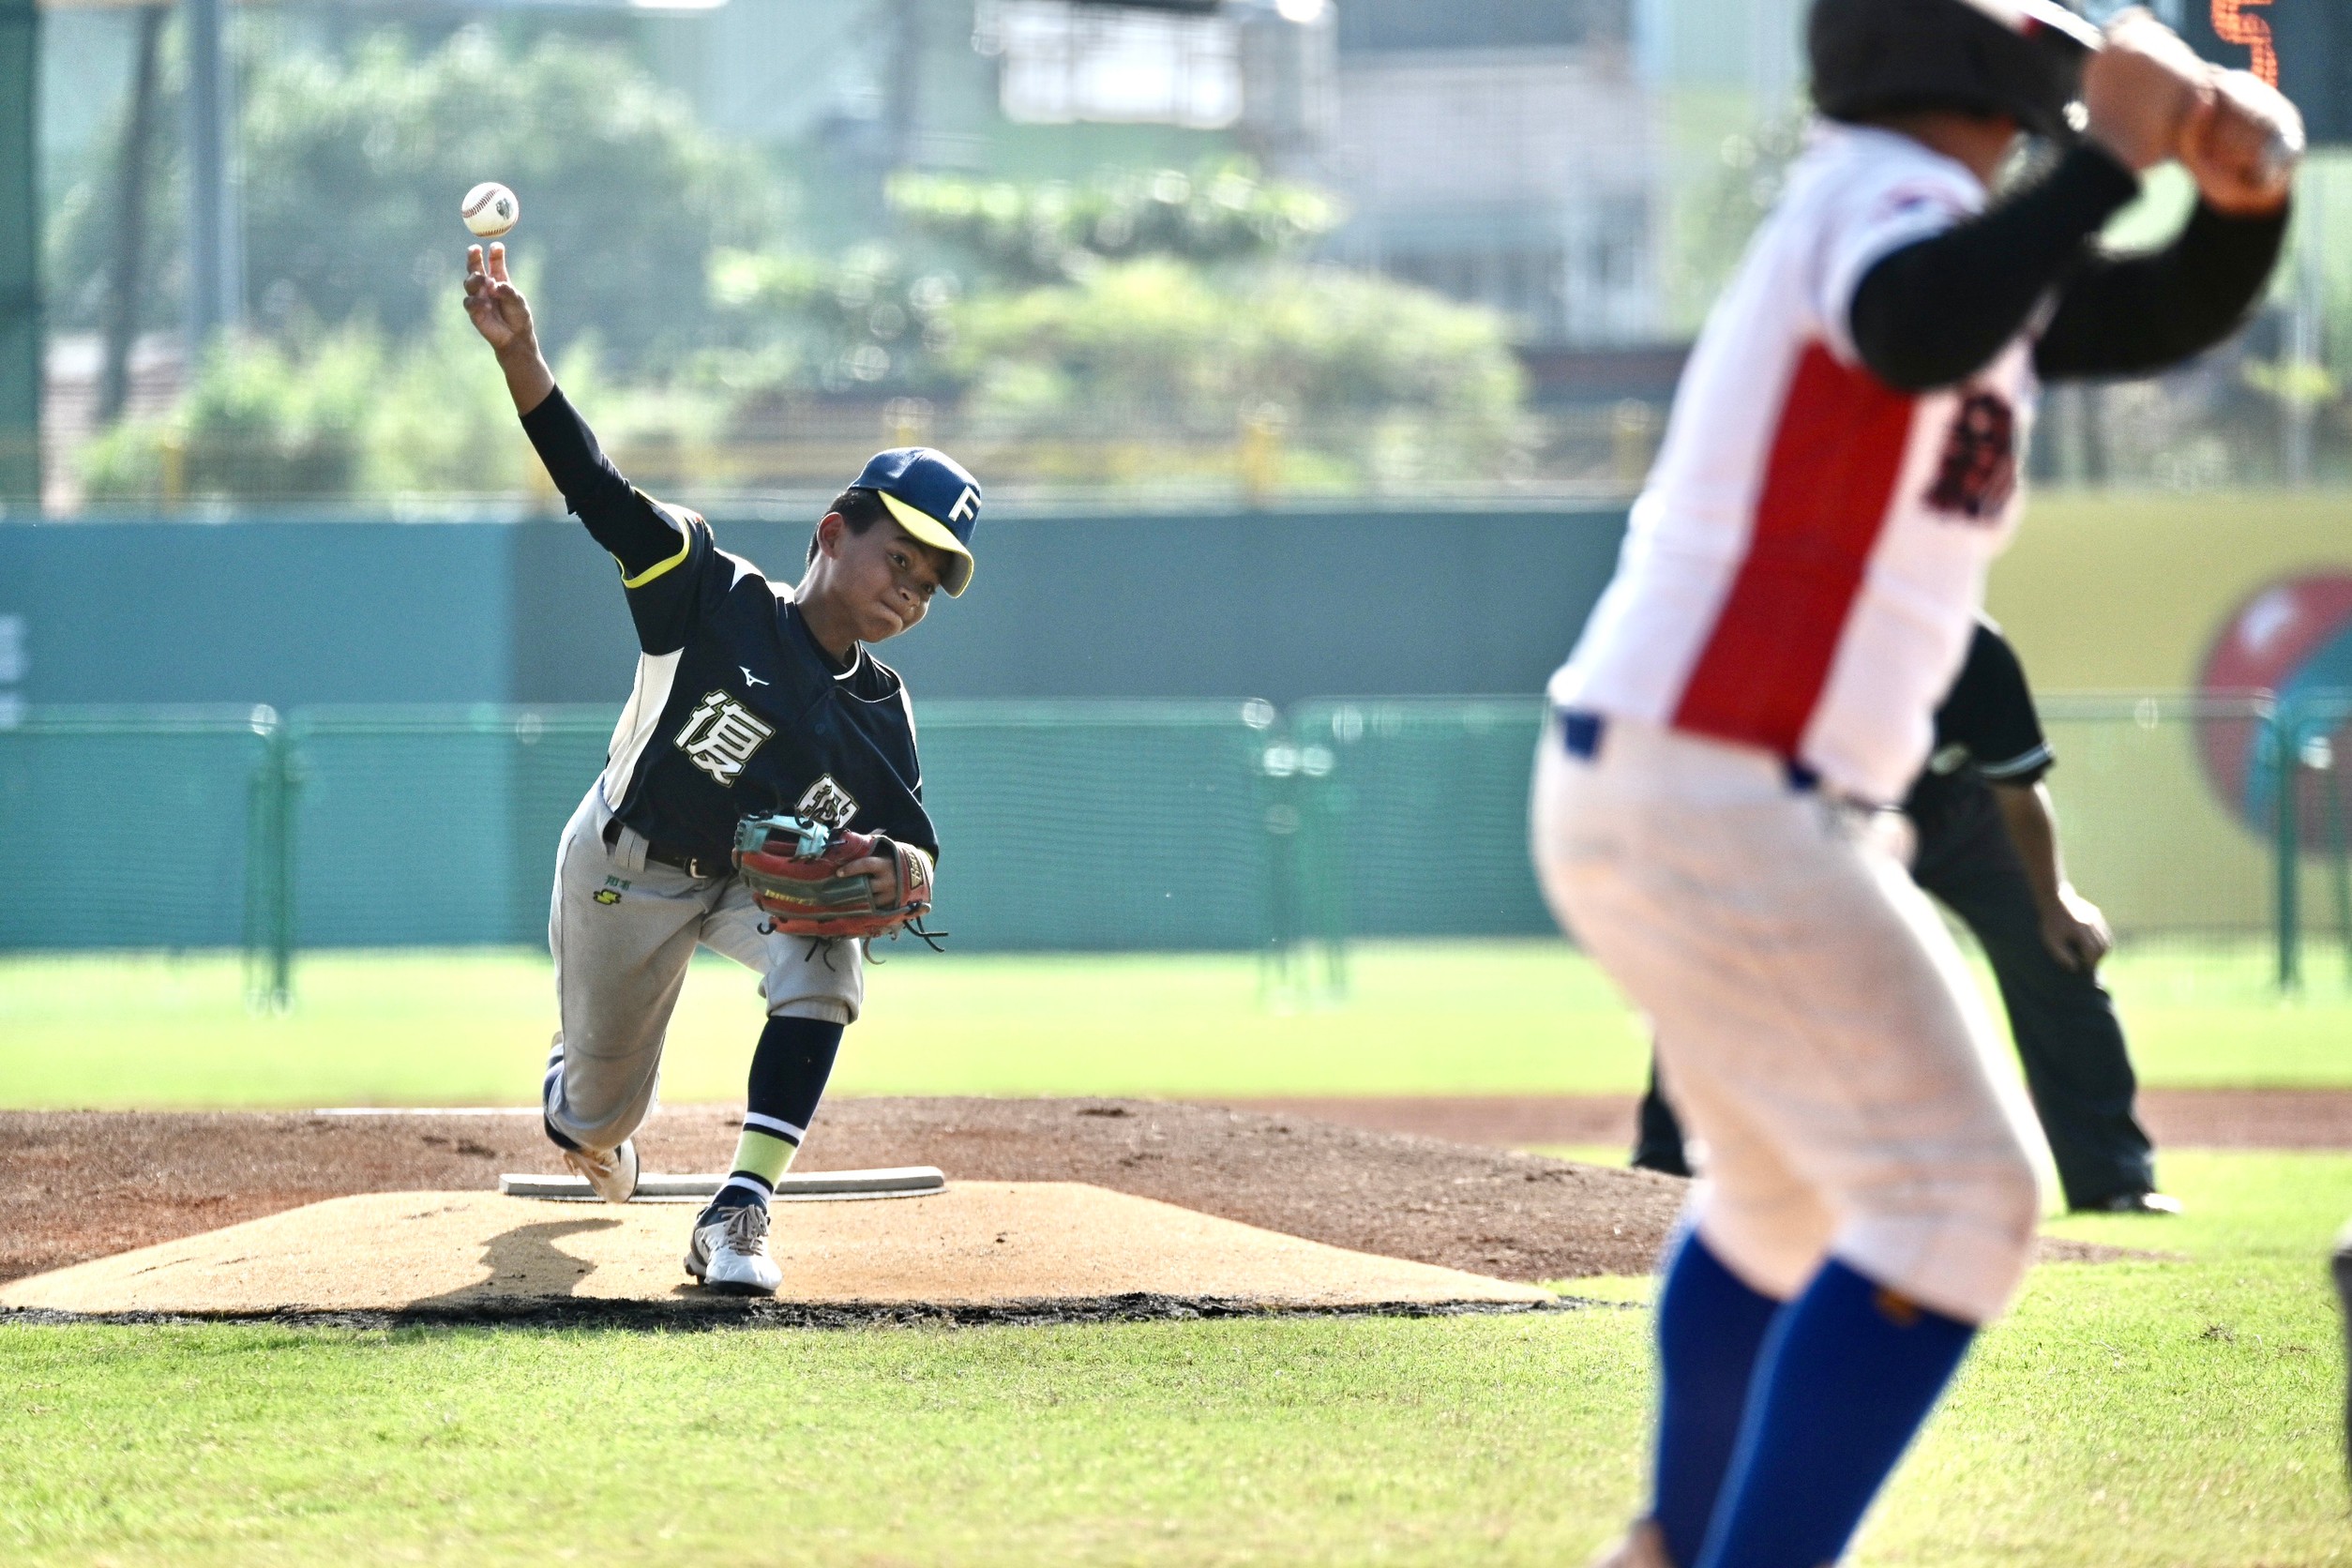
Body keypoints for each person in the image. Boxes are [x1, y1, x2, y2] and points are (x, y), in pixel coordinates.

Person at [1526, 2, 2298, 1564]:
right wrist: (2109, 158)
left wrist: (2243, 202)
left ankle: (1669, 1544)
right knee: (1959, 1202)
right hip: (1721, 785)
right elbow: (1912, 322)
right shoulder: (1882, 193)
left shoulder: (1927, 225)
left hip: (1687, 780)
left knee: (1781, 1204)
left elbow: (2142, 317)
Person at [462, 241, 982, 1296]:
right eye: (899, 559)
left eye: (928, 585)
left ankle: (738, 1210)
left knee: (829, 951)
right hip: (628, 867)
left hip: (753, 884)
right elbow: (596, 489)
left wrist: (905, 869)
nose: (908, 592)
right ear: (831, 532)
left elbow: (915, 846)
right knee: (595, 1116)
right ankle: (580, 1113)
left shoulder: (881, 710)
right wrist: (521, 357)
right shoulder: (706, 590)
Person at [1633, 618, 2177, 1216]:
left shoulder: (1974, 647)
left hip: (1961, 813)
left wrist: (2055, 900)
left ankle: (2113, 1179)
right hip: (1821, 815)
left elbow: (2019, 791)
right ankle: (1664, 1167)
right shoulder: (1801, 639)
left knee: (2057, 951)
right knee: (1730, 957)